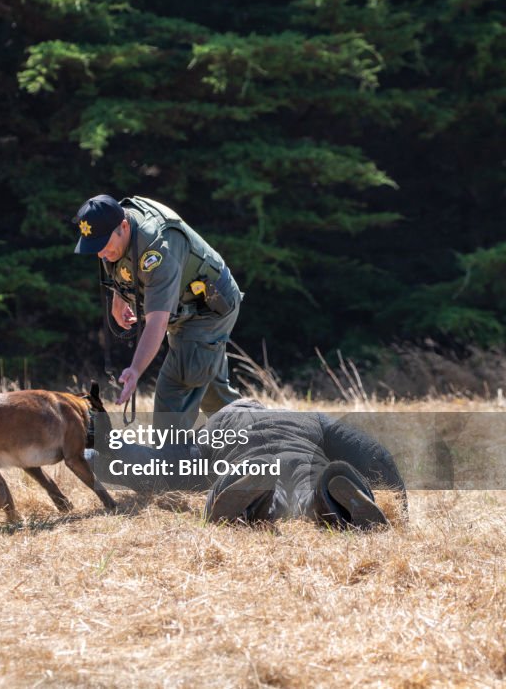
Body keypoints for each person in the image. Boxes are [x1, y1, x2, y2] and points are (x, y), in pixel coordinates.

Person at [86, 399, 408, 529]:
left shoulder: (214, 429)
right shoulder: (306, 416)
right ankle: (327, 496)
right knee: (308, 482)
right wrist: (399, 504)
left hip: (239, 445)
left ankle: (255, 502)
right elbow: (372, 453)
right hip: (301, 441)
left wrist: (104, 453)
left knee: (243, 477)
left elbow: (157, 466)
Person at [73, 194, 242, 429]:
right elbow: (121, 265)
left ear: (123, 227)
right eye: (94, 247)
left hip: (209, 306)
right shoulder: (115, 226)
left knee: (177, 384)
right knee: (211, 391)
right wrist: (119, 296)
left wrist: (135, 370)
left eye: (103, 245)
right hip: (184, 307)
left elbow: (157, 324)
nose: (100, 253)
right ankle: (265, 438)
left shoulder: (157, 248)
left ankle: (169, 460)